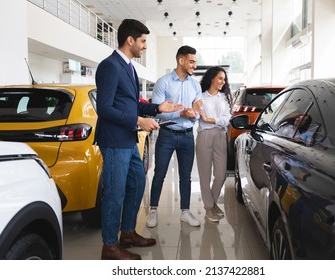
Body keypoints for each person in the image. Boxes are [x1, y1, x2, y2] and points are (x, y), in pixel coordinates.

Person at [95, 19, 182, 260]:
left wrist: (157, 109)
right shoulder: (110, 66)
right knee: (114, 193)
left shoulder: (129, 67)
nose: (144, 46)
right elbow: (104, 108)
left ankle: (128, 232)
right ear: (130, 40)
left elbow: (129, 103)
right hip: (114, 140)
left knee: (137, 182)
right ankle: (110, 246)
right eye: (143, 41)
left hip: (127, 139)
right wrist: (137, 121)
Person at [146, 45, 202, 228]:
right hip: (167, 135)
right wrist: (181, 114)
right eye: (192, 61)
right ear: (181, 60)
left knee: (186, 177)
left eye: (195, 61)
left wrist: (194, 115)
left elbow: (199, 110)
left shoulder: (195, 84)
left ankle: (185, 212)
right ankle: (153, 211)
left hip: (187, 136)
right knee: (159, 173)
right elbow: (158, 113)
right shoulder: (163, 83)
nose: (194, 65)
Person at [194, 66, 232, 222]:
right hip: (204, 136)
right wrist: (198, 114)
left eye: (224, 79)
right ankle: (209, 207)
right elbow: (196, 116)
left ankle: (212, 202)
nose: (223, 82)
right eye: (220, 78)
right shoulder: (200, 97)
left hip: (220, 136)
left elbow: (226, 119)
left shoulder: (225, 98)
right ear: (212, 79)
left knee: (221, 175)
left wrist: (209, 119)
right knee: (205, 175)